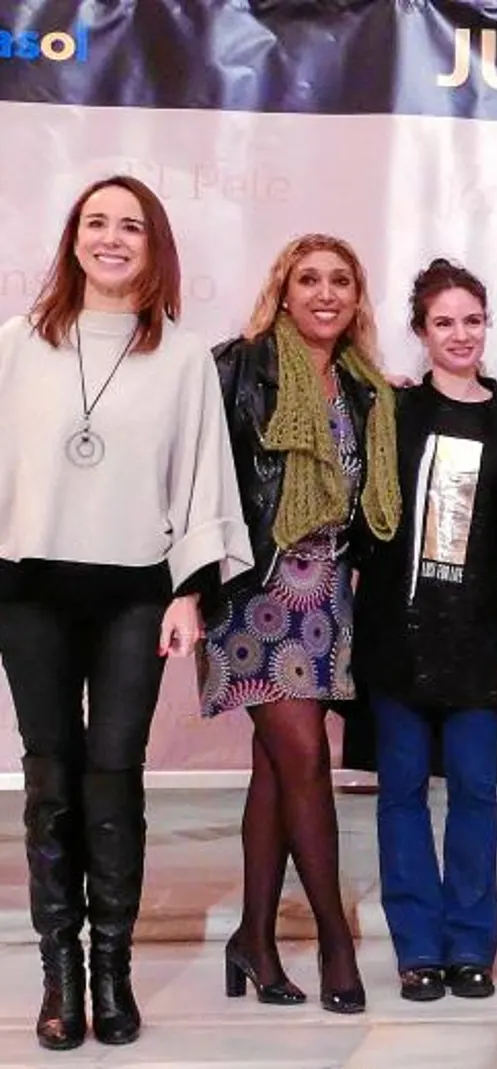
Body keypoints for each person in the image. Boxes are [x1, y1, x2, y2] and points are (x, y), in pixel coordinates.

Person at [0, 175, 250, 1050]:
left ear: (154, 247)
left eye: (131, 226)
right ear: (73, 239)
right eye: (96, 223)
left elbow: (200, 476)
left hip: (135, 593)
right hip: (29, 591)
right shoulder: (15, 346)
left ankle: (113, 970)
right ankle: (58, 973)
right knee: (50, 783)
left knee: (114, 779)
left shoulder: (180, 356)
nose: (112, 238)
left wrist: (189, 590)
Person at [205, 233, 403, 1015]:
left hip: (324, 596)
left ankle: (252, 939)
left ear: (357, 299)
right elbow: (199, 474)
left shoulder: (365, 390)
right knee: (306, 762)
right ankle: (335, 939)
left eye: (341, 281)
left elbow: (371, 502)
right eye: (309, 279)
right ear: (283, 291)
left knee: (276, 771)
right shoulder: (239, 365)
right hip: (252, 590)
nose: (325, 293)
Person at [352, 259, 497, 1002]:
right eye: (444, 322)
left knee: (476, 791)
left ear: (487, 324)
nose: (461, 334)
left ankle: (471, 945)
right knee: (400, 791)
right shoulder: (392, 412)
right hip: (397, 633)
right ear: (421, 332)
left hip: (479, 637)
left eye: (472, 320)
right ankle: (417, 948)